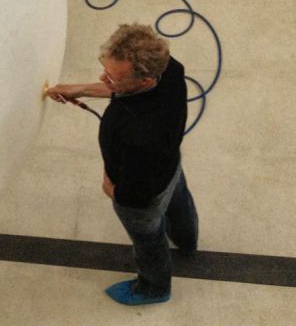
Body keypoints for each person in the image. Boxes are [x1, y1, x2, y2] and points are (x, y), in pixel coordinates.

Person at [46, 23, 198, 305]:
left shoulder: (137, 133)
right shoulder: (170, 70)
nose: (103, 78)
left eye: (112, 77)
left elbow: (136, 195)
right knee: (180, 206)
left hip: (143, 195)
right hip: (171, 167)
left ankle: (154, 288)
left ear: (145, 81)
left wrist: (111, 189)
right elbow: (124, 89)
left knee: (149, 240)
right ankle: (188, 241)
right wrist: (79, 89)